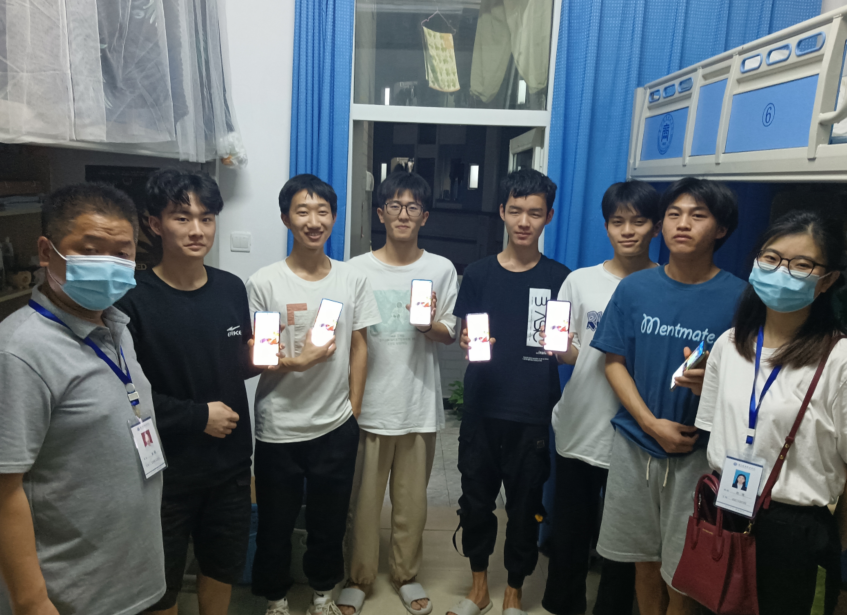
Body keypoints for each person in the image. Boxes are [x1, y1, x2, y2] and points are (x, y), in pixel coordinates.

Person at [0, 183, 165, 615]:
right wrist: (32, 602)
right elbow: (3, 488)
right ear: (46, 251)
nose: (108, 265)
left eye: (122, 254)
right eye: (90, 251)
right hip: (67, 594)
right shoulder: (19, 351)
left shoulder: (117, 328)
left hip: (128, 579)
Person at [590, 177, 746, 615]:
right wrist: (649, 423)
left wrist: (713, 381)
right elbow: (614, 362)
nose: (683, 224)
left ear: (721, 228)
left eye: (698, 215)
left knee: (684, 570)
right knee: (643, 561)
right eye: (674, 214)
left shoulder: (741, 298)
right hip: (637, 444)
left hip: (699, 454)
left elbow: (752, 380)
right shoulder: (636, 288)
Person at [115, 168, 257, 615]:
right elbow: (122, 395)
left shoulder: (231, 288)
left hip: (231, 466)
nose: (198, 230)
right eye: (182, 217)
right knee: (164, 584)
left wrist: (268, 358)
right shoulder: (131, 300)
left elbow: (233, 366)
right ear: (153, 224)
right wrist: (198, 417)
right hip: (164, 473)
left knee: (221, 567)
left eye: (207, 218)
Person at [696, 210, 847, 615]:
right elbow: (714, 429)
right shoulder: (729, 344)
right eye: (771, 258)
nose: (782, 272)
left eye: (802, 265)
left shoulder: (839, 359)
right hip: (724, 509)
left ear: (827, 280)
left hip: (794, 530)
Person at [247, 174, 381, 615]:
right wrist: (298, 362)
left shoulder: (351, 279)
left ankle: (323, 593)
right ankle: (275, 598)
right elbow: (262, 356)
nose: (313, 221)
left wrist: (353, 410)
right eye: (302, 211)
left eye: (322, 211)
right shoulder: (265, 282)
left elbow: (359, 345)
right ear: (285, 218)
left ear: (334, 218)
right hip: (278, 425)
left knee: (328, 523)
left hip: (334, 424)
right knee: (275, 524)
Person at [450, 168, 570, 615]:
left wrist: (567, 348)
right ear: (502, 211)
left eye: (534, 213)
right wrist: (466, 341)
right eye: (516, 210)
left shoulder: (561, 278)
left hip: (532, 411)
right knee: (475, 502)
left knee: (525, 507)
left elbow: (563, 348)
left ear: (548, 217)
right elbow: (466, 336)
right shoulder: (479, 274)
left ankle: (514, 590)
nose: (524, 221)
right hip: (482, 407)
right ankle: (479, 586)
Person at [542, 181, 661, 615]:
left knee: (624, 543)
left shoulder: (664, 284)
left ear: (656, 227)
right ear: (606, 226)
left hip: (636, 433)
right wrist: (559, 347)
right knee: (570, 531)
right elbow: (570, 352)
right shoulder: (579, 281)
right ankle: (563, 604)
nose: (627, 231)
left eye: (638, 221)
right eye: (617, 222)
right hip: (580, 423)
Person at [342, 172, 458, 615]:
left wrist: (429, 326)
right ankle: (359, 578)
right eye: (394, 205)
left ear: (424, 216)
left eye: (412, 207)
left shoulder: (441, 269)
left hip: (417, 404)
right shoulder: (355, 270)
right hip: (368, 405)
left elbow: (451, 329)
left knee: (412, 505)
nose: (403, 214)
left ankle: (406, 576)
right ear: (380, 213)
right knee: (363, 504)